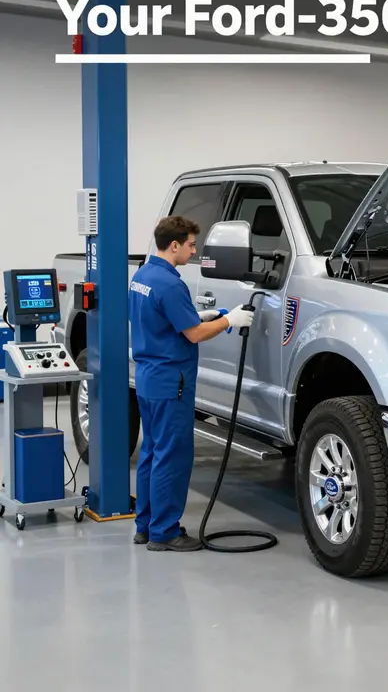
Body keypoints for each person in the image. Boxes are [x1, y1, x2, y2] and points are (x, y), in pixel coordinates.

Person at [128, 215, 254, 552]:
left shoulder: (142, 276)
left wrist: (199, 315)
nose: (194, 251)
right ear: (174, 245)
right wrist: (230, 320)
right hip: (173, 382)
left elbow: (163, 320)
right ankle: (165, 532)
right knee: (173, 456)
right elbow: (194, 335)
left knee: (152, 453)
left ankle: (145, 525)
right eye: (191, 245)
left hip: (147, 378)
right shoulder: (171, 283)